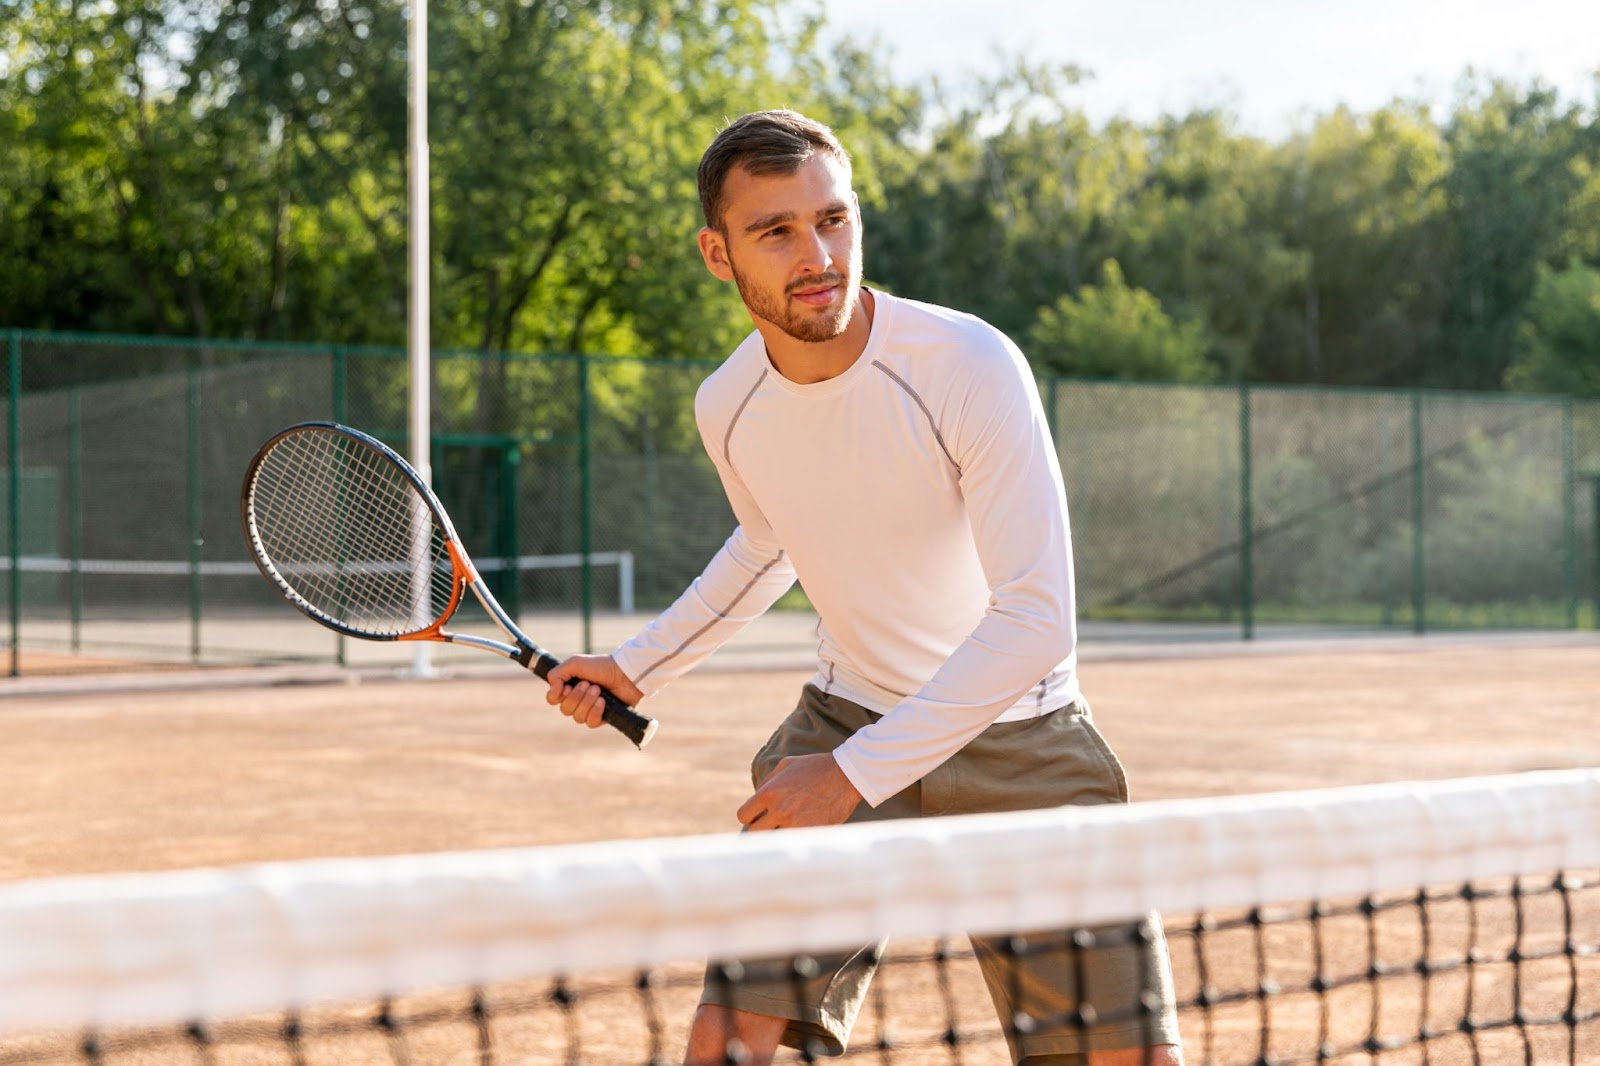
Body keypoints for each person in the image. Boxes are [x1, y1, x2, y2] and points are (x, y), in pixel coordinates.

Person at [545, 109, 1183, 1066]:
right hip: (847, 717)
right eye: (777, 231)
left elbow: (1038, 619)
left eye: (833, 219)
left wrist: (850, 777)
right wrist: (638, 668)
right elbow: (769, 544)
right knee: (731, 1043)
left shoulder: (968, 366)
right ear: (719, 256)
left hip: (1023, 741)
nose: (818, 254)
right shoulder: (729, 403)